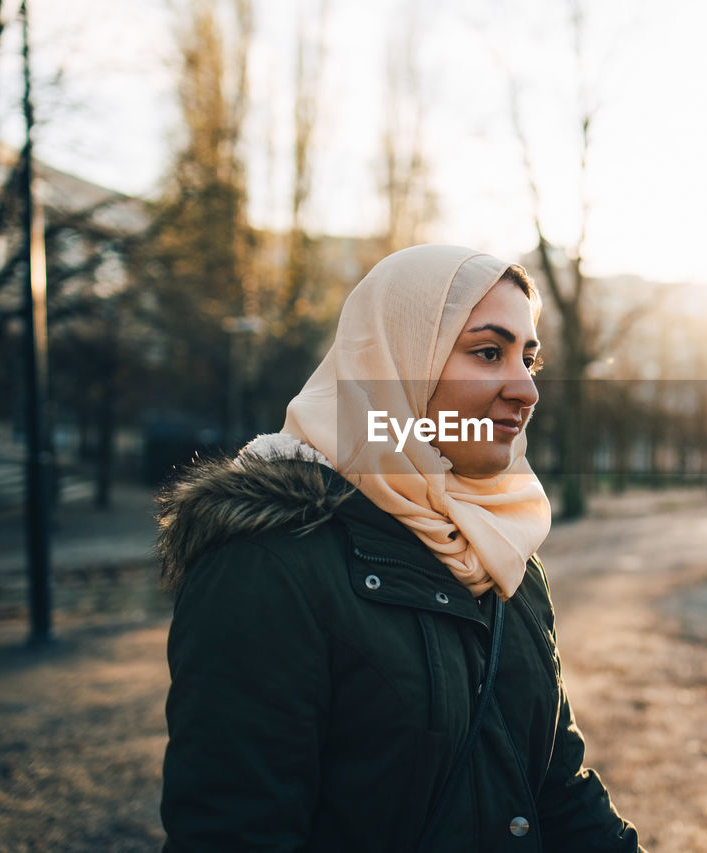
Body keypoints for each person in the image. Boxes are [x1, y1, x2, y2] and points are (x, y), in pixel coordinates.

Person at [157, 244, 643, 851]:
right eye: (488, 353)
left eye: (530, 359)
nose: (526, 390)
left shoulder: (503, 550)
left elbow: (556, 788)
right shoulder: (268, 565)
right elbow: (234, 833)